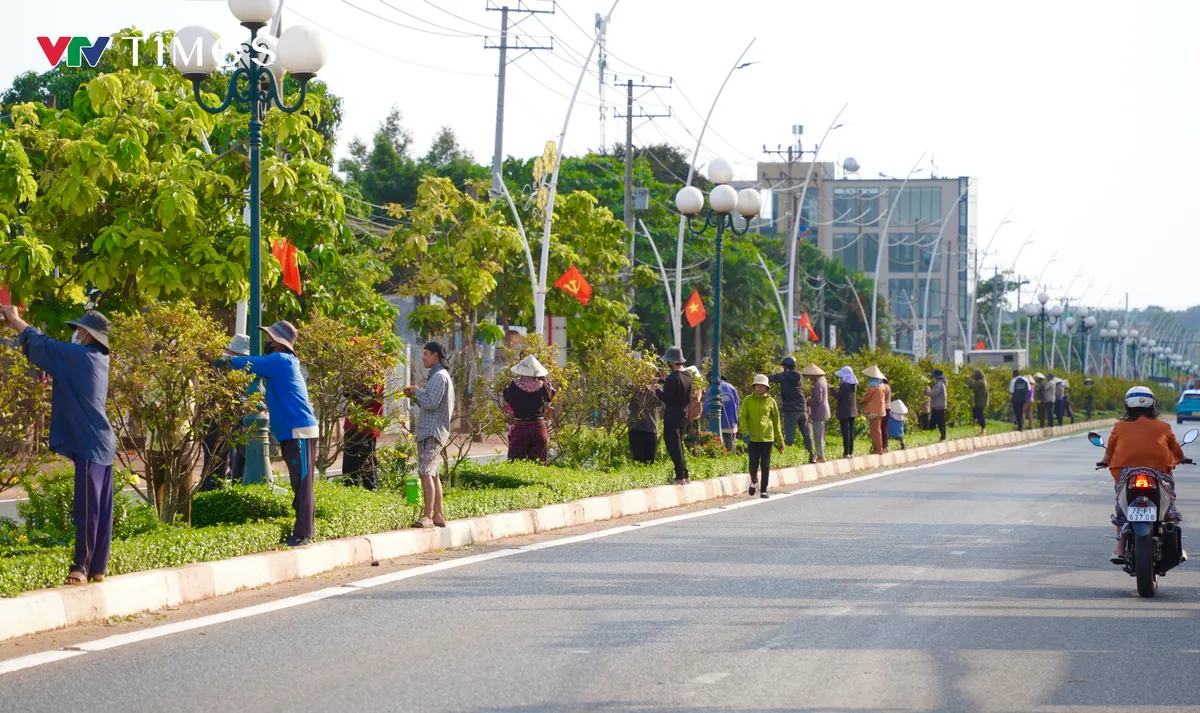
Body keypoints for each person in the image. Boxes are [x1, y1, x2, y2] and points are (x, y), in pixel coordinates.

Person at [2, 306, 116, 585]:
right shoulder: (96, 358)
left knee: (87, 509)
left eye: (78, 330)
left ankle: (81, 567)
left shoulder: (83, 358)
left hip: (91, 444)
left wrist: (16, 321)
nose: (75, 334)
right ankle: (98, 568)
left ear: (88, 335)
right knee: (100, 510)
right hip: (101, 442)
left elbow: (45, 346)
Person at [223, 321, 320, 547]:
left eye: (270, 338)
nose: (266, 341)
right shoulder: (283, 361)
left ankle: (304, 534)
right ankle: (302, 530)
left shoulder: (280, 360)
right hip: (292, 430)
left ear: (279, 342)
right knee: (299, 483)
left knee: (303, 483)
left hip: (300, 430)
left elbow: (248, 363)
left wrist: (220, 360)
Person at [1098, 386, 1191, 562]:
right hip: (1158, 472)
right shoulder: (1163, 426)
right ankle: (1177, 544)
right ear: (1152, 404)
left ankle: (1119, 548)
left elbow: (1110, 450)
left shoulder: (1119, 426)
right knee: (1169, 504)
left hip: (1127, 473)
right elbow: (1175, 448)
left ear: (1127, 405)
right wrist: (1182, 458)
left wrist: (1104, 461)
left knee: (1122, 504)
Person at [404, 341, 454, 528]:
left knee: (425, 473)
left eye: (426, 353)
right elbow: (431, 404)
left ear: (436, 356)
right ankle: (438, 515)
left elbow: (431, 402)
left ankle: (427, 516)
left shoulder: (439, 376)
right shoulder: (440, 376)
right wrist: (416, 396)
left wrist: (417, 392)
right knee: (433, 475)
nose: (423, 357)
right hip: (434, 430)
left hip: (431, 432)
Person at [201, 334, 251, 491]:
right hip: (217, 418)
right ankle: (212, 491)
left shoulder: (242, 370)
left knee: (240, 457)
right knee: (215, 460)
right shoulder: (219, 368)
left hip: (233, 419)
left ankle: (236, 489)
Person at [503, 355, 556, 463]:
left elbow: (507, 397)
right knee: (539, 463)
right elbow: (550, 396)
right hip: (538, 428)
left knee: (515, 463)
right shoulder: (543, 385)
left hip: (520, 427)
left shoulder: (513, 385)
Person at [739, 374, 784, 498]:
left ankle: (763, 489)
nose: (759, 388)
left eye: (762, 385)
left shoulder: (771, 402)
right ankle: (754, 480)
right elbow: (743, 417)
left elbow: (776, 423)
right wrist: (745, 431)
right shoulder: (748, 400)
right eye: (757, 385)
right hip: (752, 438)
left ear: (766, 388)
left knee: (765, 464)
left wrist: (780, 442)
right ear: (754, 386)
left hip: (767, 438)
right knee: (753, 463)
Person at [656, 346, 693, 484]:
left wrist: (656, 390)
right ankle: (685, 474)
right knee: (679, 446)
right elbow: (678, 388)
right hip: (683, 415)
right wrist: (661, 381)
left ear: (671, 362)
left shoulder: (672, 378)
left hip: (672, 416)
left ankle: (679, 476)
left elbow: (667, 398)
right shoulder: (688, 375)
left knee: (673, 446)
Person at [770, 356, 815, 461]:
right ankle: (812, 454)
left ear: (785, 367)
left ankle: (786, 457)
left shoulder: (784, 376)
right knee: (806, 434)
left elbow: (772, 378)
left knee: (789, 436)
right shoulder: (798, 375)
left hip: (791, 410)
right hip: (802, 409)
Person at [342, 380, 384, 490]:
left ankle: (373, 497)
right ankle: (349, 496)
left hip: (368, 425)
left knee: (367, 469)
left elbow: (370, 395)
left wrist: (353, 388)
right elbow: (346, 393)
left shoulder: (375, 369)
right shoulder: (353, 369)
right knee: (348, 467)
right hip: (351, 423)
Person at [628, 382, 661, 464]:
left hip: (650, 428)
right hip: (635, 427)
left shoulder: (655, 389)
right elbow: (624, 398)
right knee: (637, 459)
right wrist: (635, 387)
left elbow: (659, 402)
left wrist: (653, 391)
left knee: (650, 460)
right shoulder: (633, 388)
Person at [803, 364, 830, 462]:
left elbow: (818, 399)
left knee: (818, 435)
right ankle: (822, 454)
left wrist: (808, 401)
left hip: (819, 411)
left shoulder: (818, 383)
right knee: (821, 435)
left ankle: (821, 456)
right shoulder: (822, 381)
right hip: (821, 411)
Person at [862, 366, 888, 455]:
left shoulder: (872, 386)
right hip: (880, 410)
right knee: (877, 429)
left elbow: (866, 398)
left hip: (874, 410)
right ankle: (878, 448)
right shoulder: (882, 385)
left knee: (875, 430)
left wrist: (861, 400)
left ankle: (878, 449)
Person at [833, 366, 858, 458]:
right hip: (852, 412)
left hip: (844, 412)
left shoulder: (844, 385)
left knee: (845, 433)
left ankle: (846, 452)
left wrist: (831, 389)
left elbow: (839, 397)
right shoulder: (853, 385)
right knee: (850, 432)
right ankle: (850, 452)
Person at [719, 374, 740, 451]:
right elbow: (737, 403)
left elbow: (706, 409)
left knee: (720, 448)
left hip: (719, 423)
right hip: (731, 422)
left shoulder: (712, 389)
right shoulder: (731, 387)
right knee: (731, 447)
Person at [927, 369, 949, 441]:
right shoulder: (941, 384)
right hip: (940, 406)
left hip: (938, 406)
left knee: (937, 422)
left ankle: (942, 436)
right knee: (939, 421)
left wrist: (926, 392)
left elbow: (934, 394)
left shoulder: (939, 384)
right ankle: (942, 436)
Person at [969, 369, 990, 435]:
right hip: (982, 401)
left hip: (980, 402)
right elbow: (977, 389)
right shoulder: (984, 382)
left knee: (980, 415)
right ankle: (974, 426)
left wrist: (969, 379)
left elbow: (971, 386)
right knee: (975, 412)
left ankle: (982, 430)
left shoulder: (980, 382)